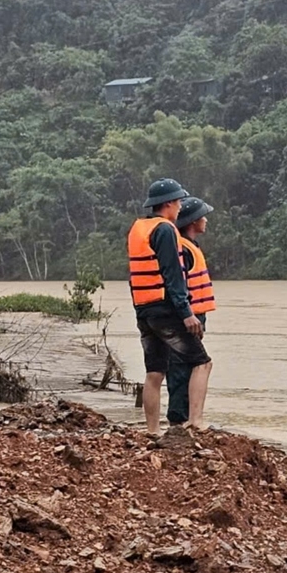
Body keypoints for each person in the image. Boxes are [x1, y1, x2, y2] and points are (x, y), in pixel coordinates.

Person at [128, 178, 212, 433]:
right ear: (167, 204)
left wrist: (141, 311)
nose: (179, 207)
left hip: (144, 310)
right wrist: (186, 313)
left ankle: (152, 431)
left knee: (155, 372)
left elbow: (136, 276)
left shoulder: (138, 228)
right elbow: (172, 275)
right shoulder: (165, 230)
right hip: (166, 311)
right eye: (177, 202)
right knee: (202, 362)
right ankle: (194, 420)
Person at [167, 196, 216, 426]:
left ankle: (185, 417)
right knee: (183, 366)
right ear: (193, 221)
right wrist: (187, 314)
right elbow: (177, 285)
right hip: (186, 316)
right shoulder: (183, 249)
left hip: (194, 314)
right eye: (202, 216)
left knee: (187, 365)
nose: (206, 220)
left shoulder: (189, 246)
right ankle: (181, 419)